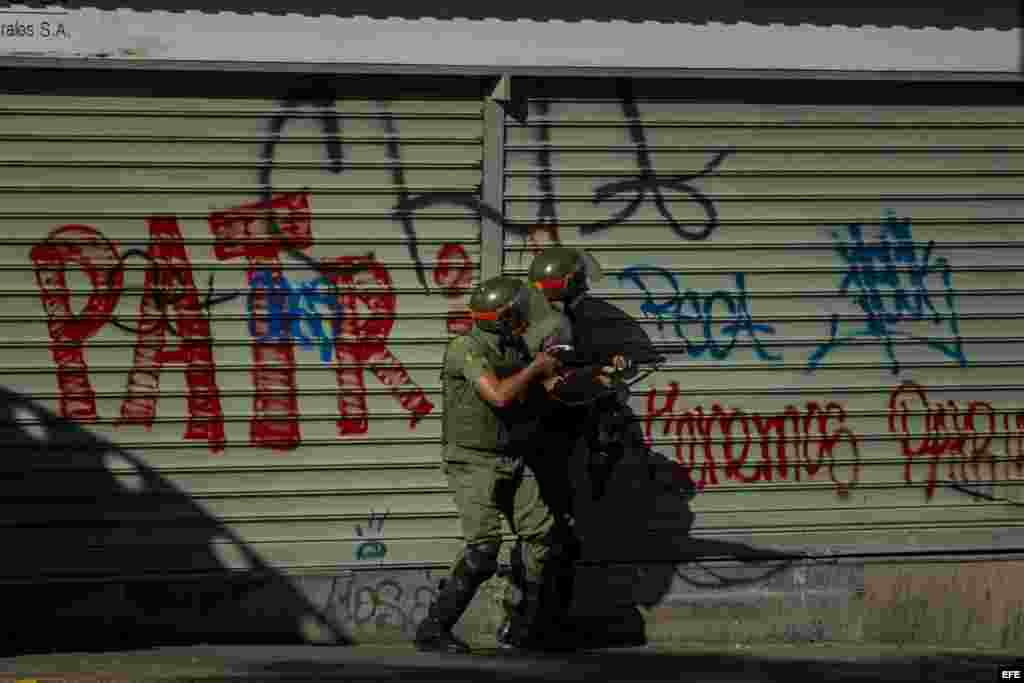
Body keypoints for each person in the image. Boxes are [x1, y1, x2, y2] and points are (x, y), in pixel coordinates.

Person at [414, 275, 564, 654]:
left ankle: (520, 627)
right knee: (483, 549)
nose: (526, 318)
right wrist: (536, 370)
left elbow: (549, 385)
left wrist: (589, 376)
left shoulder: (516, 346)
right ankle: (434, 629)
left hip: (514, 455)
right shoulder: (465, 349)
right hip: (473, 460)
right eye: (518, 313)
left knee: (541, 536)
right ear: (502, 317)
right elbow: (497, 395)